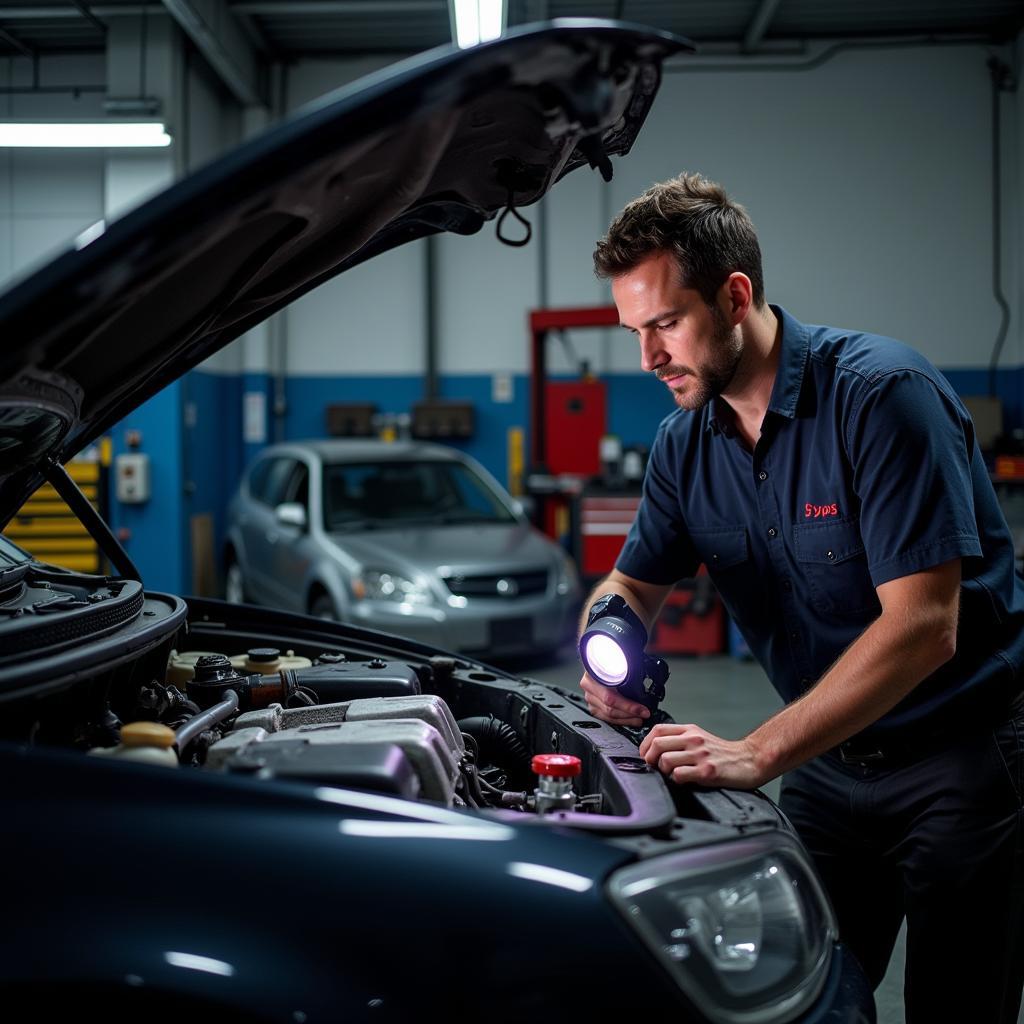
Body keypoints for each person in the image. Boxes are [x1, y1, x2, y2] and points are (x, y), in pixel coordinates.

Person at [579, 172, 1024, 1022]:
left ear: (735, 295)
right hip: (828, 768)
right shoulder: (684, 443)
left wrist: (757, 754)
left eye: (665, 324)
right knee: (798, 1000)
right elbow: (632, 580)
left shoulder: (883, 398)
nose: (647, 358)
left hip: (961, 765)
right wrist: (609, 633)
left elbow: (925, 626)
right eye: (635, 331)